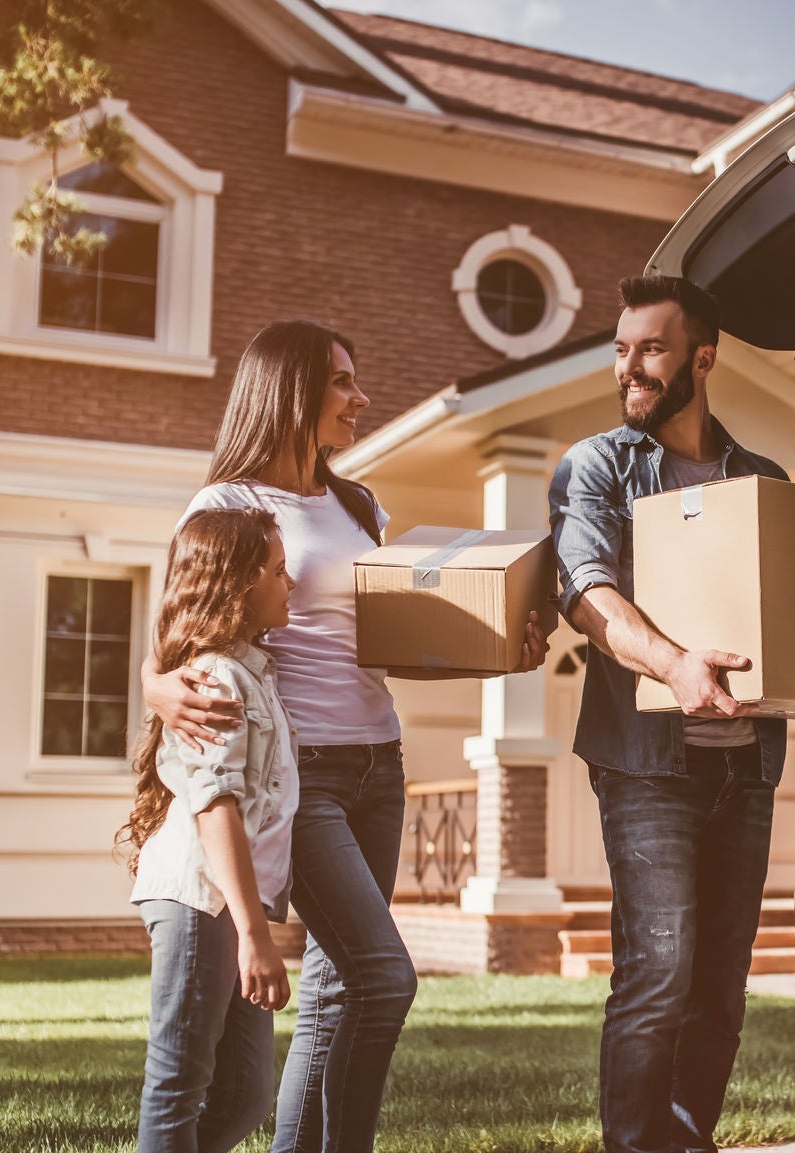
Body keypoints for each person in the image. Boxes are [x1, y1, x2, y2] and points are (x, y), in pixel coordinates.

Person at [549, 276, 795, 1153]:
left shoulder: (757, 480)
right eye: (621, 350)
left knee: (721, 985)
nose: (631, 368)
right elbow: (587, 592)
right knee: (658, 970)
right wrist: (673, 662)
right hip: (646, 763)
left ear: (703, 357)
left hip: (744, 766)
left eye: (650, 349)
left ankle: (686, 1137)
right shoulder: (599, 466)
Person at [142, 320, 547, 1153]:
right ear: (290, 389)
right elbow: (173, 646)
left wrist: (496, 657)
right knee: (382, 976)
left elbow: (386, 643)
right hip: (305, 776)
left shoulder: (358, 504)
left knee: (336, 993)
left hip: (379, 766)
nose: (360, 398)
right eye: (342, 382)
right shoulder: (224, 507)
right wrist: (154, 688)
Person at [121, 506, 299, 1153]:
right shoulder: (216, 679)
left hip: (228, 901)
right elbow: (214, 805)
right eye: (279, 571)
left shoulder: (252, 669)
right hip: (200, 899)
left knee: (245, 1093)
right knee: (178, 1083)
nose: (292, 583)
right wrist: (254, 933)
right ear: (240, 583)